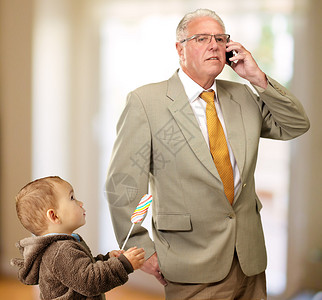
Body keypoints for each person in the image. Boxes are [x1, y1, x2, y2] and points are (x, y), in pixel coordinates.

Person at [105, 8, 310, 300]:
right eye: (202, 38)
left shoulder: (243, 96)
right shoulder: (145, 102)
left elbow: (295, 125)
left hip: (249, 261)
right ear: (180, 49)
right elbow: (123, 185)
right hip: (190, 264)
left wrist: (257, 77)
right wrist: (142, 249)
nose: (214, 45)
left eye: (220, 38)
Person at [11, 176, 145, 300]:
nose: (80, 203)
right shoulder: (61, 251)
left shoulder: (63, 246)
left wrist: (107, 259)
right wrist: (124, 264)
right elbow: (90, 281)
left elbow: (84, 268)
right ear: (54, 216)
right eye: (72, 198)